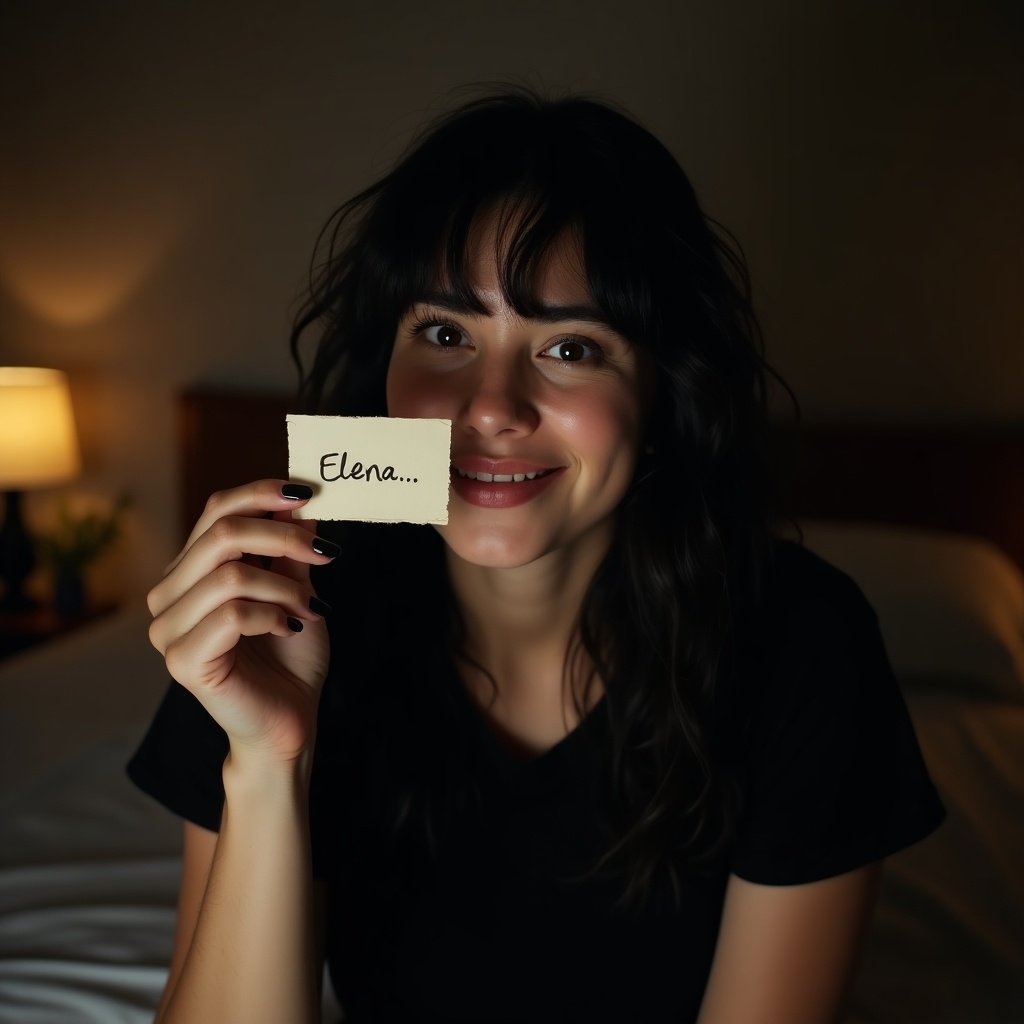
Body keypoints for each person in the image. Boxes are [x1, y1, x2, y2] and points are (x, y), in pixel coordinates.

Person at [129, 88, 944, 1023]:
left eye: (569, 346)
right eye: (444, 334)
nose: (492, 408)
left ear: (660, 394)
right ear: (382, 374)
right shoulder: (275, 616)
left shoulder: (804, 643)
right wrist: (269, 763)